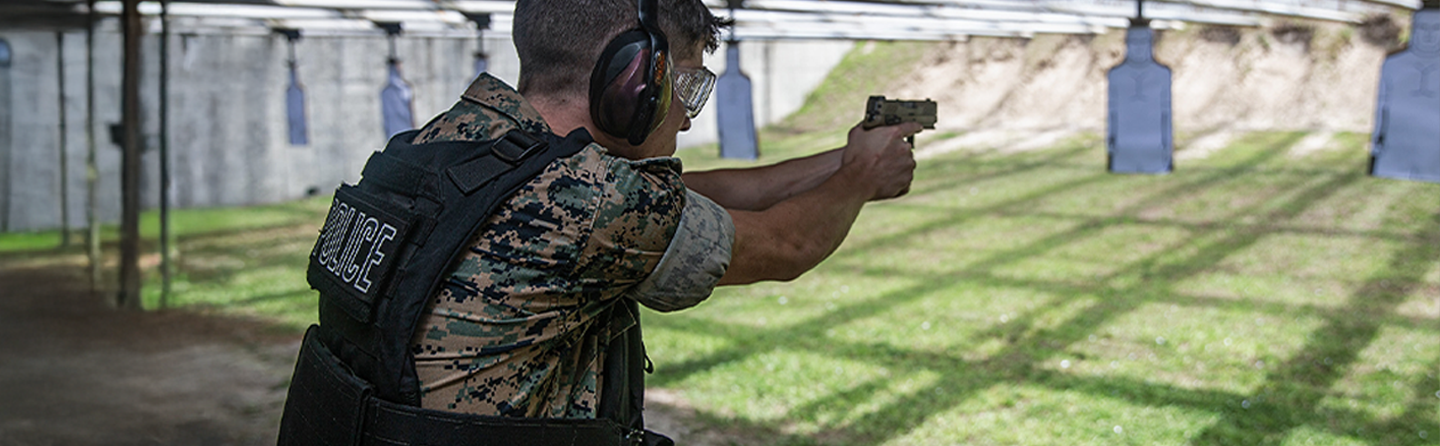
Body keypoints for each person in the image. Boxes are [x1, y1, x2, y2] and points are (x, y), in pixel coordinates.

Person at [279, 0, 919, 443]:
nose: (689, 116)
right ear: (634, 77)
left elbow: (691, 197)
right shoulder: (591, 202)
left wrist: (847, 157)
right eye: (688, 87)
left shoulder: (452, 147)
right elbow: (787, 244)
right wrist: (860, 183)